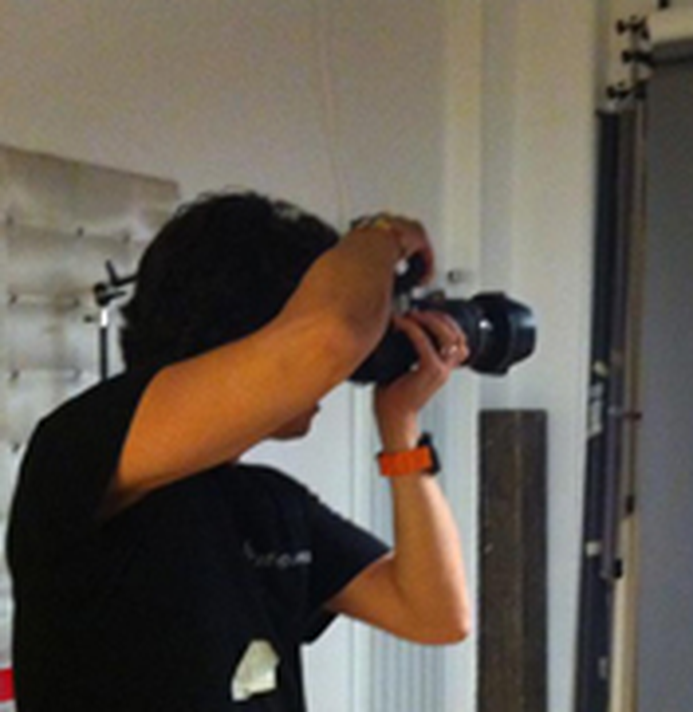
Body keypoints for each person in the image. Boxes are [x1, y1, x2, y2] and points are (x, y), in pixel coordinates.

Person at [6, 191, 472, 710]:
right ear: (248, 334)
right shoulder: (78, 445)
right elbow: (331, 335)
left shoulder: (269, 505)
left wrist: (400, 427)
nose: (332, 377)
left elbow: (435, 613)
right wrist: (383, 235)